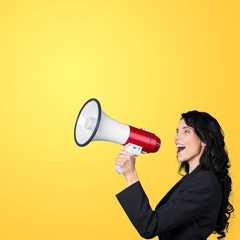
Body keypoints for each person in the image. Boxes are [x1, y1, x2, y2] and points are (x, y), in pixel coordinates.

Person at [115, 110, 234, 240]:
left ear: (204, 139)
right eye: (177, 131)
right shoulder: (194, 178)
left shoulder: (204, 182)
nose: (177, 137)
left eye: (186, 131)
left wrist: (131, 175)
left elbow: (149, 226)